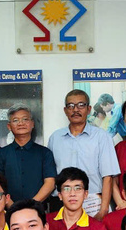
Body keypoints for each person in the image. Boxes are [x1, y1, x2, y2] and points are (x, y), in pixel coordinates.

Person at [47, 90, 120, 220]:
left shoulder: (102, 137)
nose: (76, 110)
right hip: (61, 202)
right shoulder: (55, 138)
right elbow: (50, 176)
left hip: (93, 202)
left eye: (81, 105)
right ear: (65, 110)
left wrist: (103, 209)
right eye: (71, 106)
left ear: (89, 109)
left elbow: (108, 176)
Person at [0, 103, 57, 204]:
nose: (21, 123)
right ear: (9, 126)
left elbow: (50, 183)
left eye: (25, 119)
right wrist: (12, 207)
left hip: (37, 209)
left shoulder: (44, 153)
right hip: (8, 209)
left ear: (32, 124)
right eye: (15, 120)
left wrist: (31, 206)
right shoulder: (0, 154)